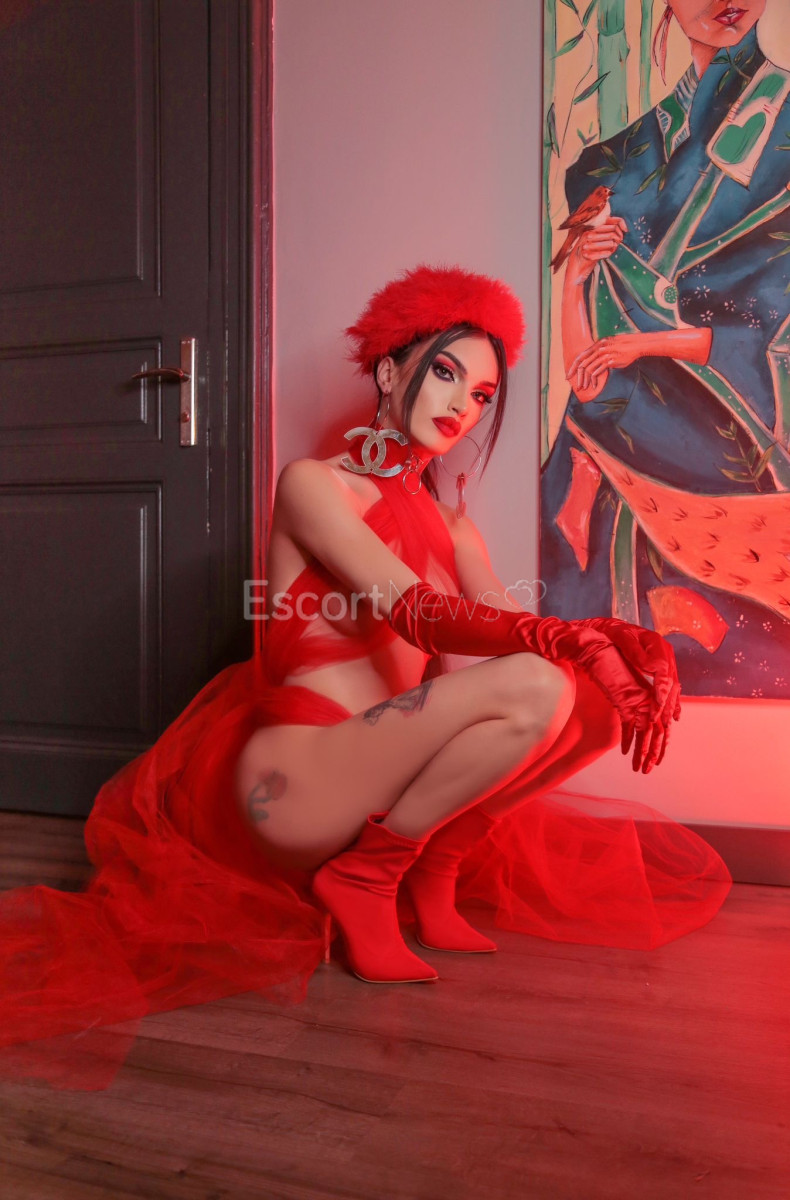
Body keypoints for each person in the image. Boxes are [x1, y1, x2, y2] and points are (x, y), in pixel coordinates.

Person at [0, 265, 730, 1091]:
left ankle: (434, 860)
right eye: (445, 373)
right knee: (541, 679)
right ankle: (365, 876)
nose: (462, 406)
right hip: (294, 781)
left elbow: (511, 634)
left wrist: (623, 644)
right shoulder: (314, 486)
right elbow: (417, 614)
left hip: (382, 780)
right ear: (388, 371)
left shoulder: (453, 526)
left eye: (482, 394)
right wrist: (569, 641)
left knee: (585, 695)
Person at [541, 2, 790, 699]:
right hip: (607, 436)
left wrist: (650, 342)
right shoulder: (608, 164)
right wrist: (577, 278)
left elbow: (770, 327)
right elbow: (586, 369)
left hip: (730, 439)